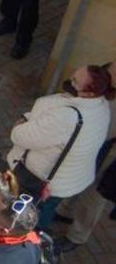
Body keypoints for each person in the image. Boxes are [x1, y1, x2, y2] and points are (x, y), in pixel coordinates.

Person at [7, 64, 113, 225]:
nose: (69, 81)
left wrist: (22, 122)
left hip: (40, 182)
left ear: (89, 92)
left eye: (75, 81)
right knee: (46, 209)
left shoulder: (67, 117)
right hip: (68, 181)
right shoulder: (102, 105)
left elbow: (20, 136)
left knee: (28, 217)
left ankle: (27, 238)